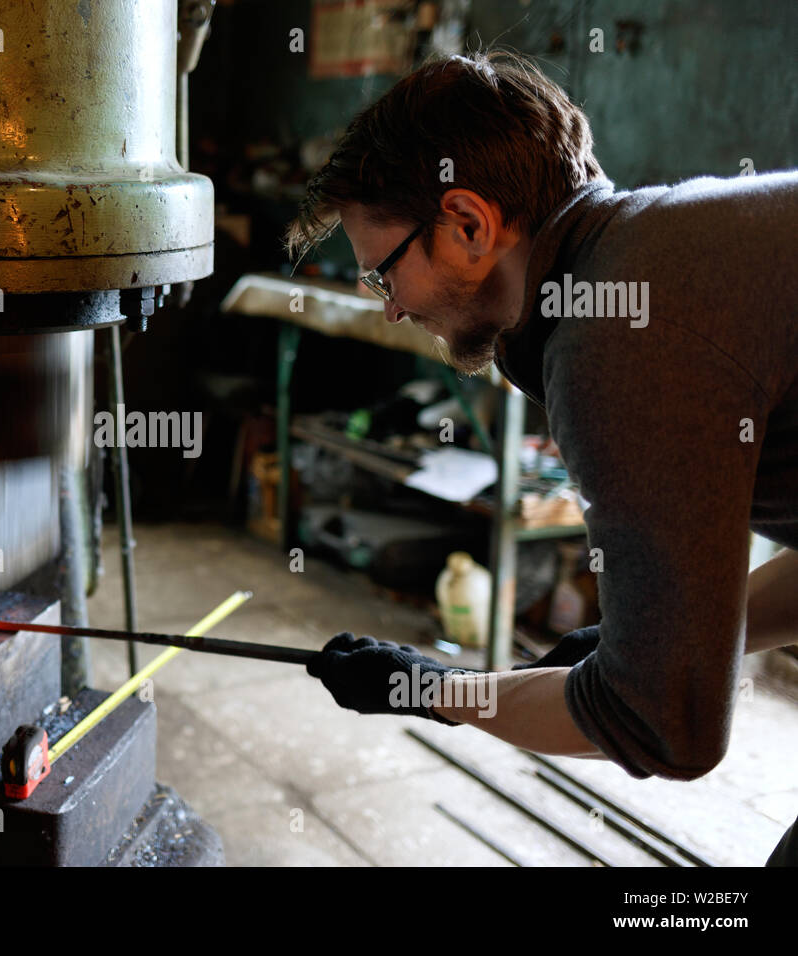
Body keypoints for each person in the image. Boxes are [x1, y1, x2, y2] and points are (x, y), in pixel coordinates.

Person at [285, 51, 798, 865]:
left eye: (385, 273)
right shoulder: (650, 252)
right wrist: (660, 636)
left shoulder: (612, 343)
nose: (388, 310)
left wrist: (434, 691)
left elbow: (665, 729)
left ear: (470, 224)